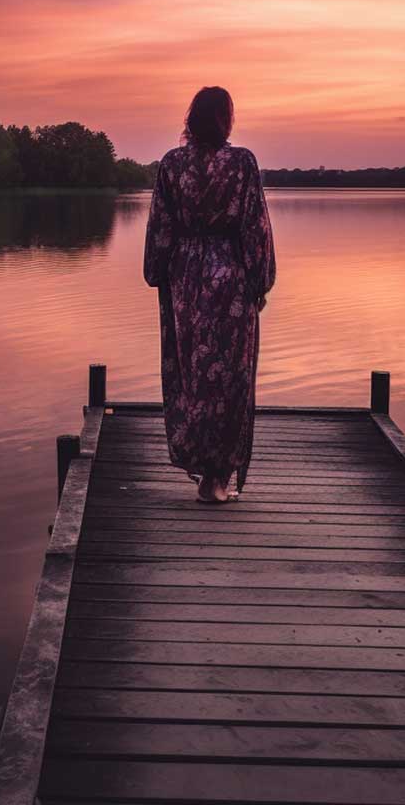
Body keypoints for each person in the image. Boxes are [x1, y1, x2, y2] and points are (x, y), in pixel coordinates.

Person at [143, 86, 276, 503]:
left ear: (191, 118)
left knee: (192, 373)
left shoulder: (171, 164)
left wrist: (157, 273)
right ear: (226, 119)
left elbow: (160, 226)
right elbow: (254, 226)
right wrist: (260, 280)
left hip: (185, 278)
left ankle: (205, 472)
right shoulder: (242, 163)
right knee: (231, 376)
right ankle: (217, 478)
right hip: (231, 277)